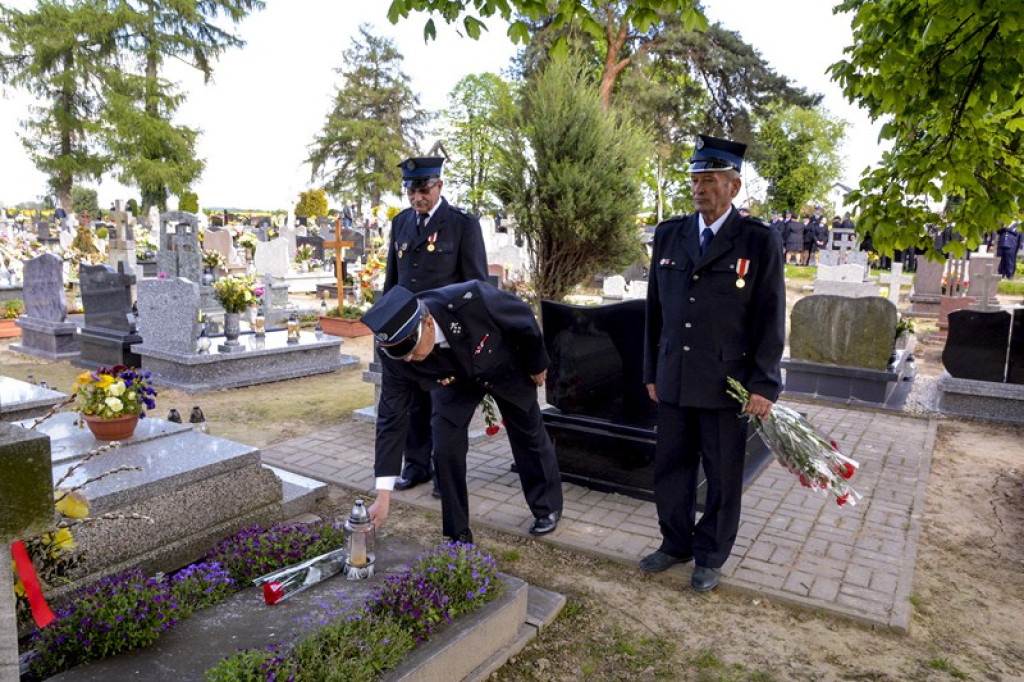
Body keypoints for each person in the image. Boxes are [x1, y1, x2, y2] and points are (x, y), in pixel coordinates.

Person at [641, 134, 786, 592]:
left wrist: (764, 384)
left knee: (722, 474)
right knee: (671, 469)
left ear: (733, 187)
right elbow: (654, 312)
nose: (698, 189)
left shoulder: (757, 240)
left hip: (727, 381)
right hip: (674, 377)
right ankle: (675, 542)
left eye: (709, 180)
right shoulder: (670, 234)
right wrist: (651, 372)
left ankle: (710, 555)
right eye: (695, 180)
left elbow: (770, 315)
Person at [362, 282, 563, 543]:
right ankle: (457, 533)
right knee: (445, 448)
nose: (407, 359)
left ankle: (547, 507)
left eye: (409, 348)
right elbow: (391, 418)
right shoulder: (396, 357)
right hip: (454, 383)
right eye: (399, 353)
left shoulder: (472, 299)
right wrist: (383, 495)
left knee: (529, 434)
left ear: (428, 324)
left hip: (503, 367)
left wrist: (537, 364)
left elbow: (522, 318)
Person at [383, 156, 488, 497]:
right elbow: (393, 280)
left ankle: (446, 478)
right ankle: (416, 467)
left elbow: (476, 285)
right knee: (414, 404)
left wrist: (471, 338)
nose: (417, 198)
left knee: (444, 411)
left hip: (444, 337)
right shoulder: (401, 222)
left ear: (439, 185)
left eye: (424, 190)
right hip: (408, 335)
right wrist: (387, 324)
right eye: (411, 191)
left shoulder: (462, 224)